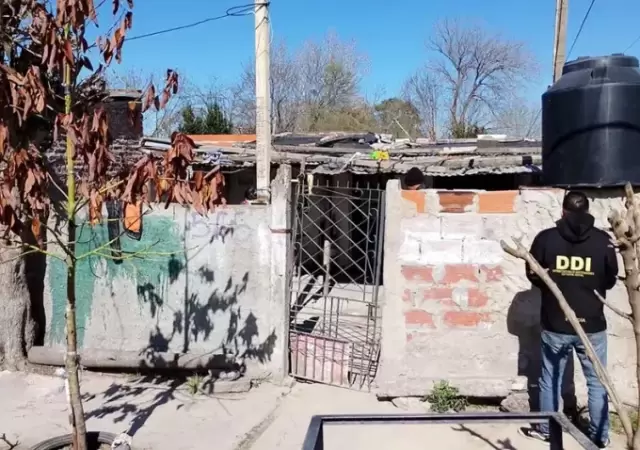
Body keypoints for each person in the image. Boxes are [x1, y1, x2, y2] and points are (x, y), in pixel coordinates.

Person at [520, 191, 618, 448]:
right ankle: (599, 436)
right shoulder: (603, 241)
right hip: (593, 324)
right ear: (587, 211)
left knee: (550, 377)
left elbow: (533, 274)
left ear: (562, 211)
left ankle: (546, 429)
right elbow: (610, 279)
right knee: (597, 382)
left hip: (555, 323)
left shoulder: (545, 239)